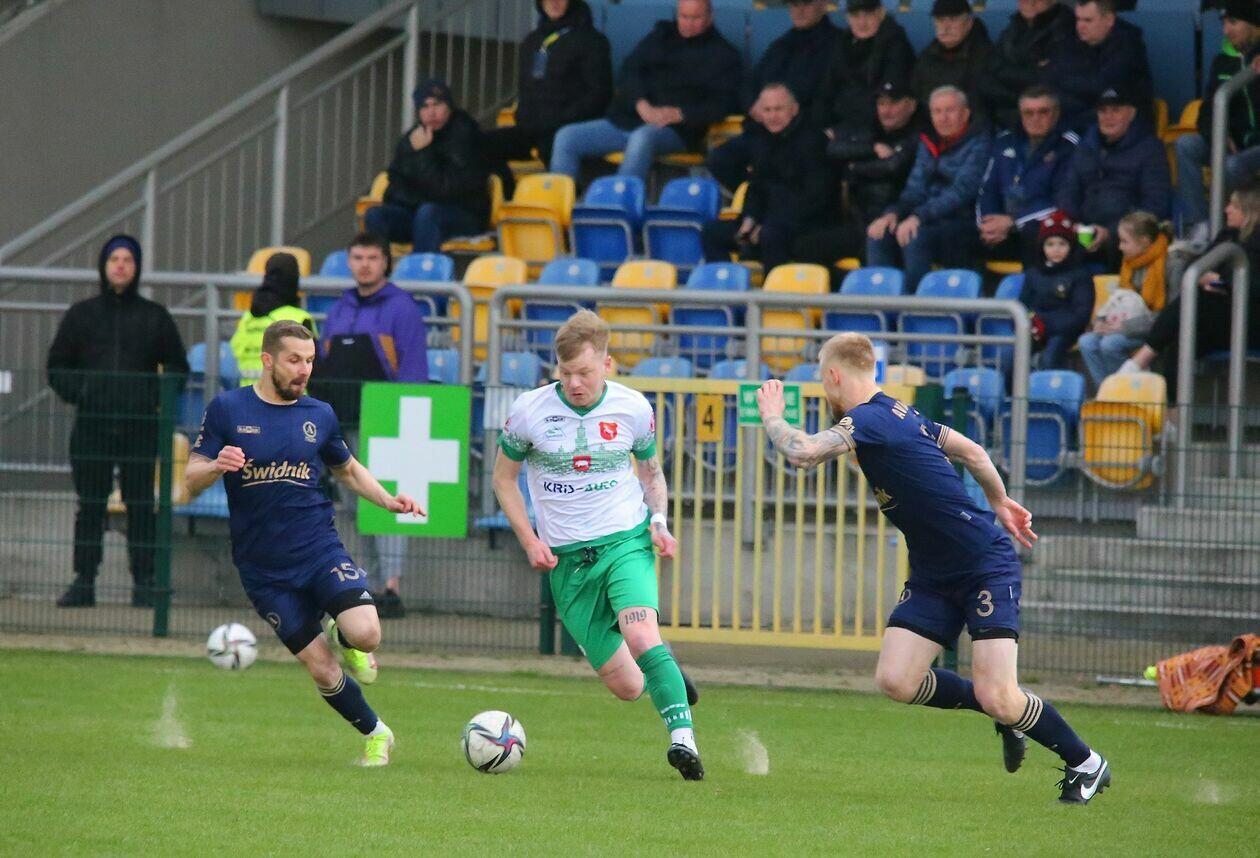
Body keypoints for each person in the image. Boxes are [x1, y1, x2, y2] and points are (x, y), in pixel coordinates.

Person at [756, 332, 1111, 804]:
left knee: (1001, 695)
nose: (825, 388)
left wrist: (772, 415)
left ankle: (1086, 763)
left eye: (823, 378)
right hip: (933, 573)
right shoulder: (901, 413)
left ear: (834, 375)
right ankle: (1001, 713)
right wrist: (1000, 500)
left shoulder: (868, 420)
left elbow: (802, 452)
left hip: (983, 565)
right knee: (897, 680)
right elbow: (973, 452)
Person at [185, 321, 423, 766]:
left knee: (367, 634)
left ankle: (343, 633)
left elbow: (348, 470)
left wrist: (388, 500)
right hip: (263, 570)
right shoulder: (227, 409)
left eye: (310, 360)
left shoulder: (320, 414)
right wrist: (215, 466)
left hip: (318, 551)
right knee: (322, 668)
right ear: (268, 360)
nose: (304, 370)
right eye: (294, 360)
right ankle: (377, 733)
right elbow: (190, 479)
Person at [492, 310, 704, 780]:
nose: (574, 383)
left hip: (625, 541)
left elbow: (651, 474)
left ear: (607, 363)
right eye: (565, 372)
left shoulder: (633, 408)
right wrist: (529, 540)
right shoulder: (529, 410)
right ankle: (665, 671)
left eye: (584, 372)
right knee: (628, 686)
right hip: (568, 563)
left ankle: (683, 740)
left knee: (641, 635)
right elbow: (503, 479)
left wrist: (659, 522)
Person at [47, 234, 189, 609]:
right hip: (91, 426)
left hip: (140, 427)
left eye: (128, 259)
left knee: (141, 505)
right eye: (114, 259)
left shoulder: (155, 317)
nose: (121, 266)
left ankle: (145, 583)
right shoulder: (81, 315)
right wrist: (83, 392)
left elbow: (178, 367)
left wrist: (151, 397)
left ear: (137, 267)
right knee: (90, 505)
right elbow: (57, 366)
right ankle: (83, 582)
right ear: (104, 266)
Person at [316, 232, 429, 617]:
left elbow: (412, 368)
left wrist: (403, 417)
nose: (364, 264)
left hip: (385, 423)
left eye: (372, 258)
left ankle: (391, 587)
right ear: (349, 261)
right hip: (343, 419)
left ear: (385, 263)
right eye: (358, 257)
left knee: (386, 499)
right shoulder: (339, 310)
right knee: (354, 503)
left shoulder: (402, 308)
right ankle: (371, 583)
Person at [548, 0, 741, 182]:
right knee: (567, 137)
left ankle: (620, 199)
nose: (688, 23)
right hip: (629, 119)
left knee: (642, 137)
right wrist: (641, 105)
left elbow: (723, 104)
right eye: (684, 16)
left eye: (696, 18)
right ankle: (561, 201)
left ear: (710, 18)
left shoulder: (724, 55)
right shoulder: (660, 37)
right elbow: (629, 71)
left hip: (676, 130)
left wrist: (680, 114)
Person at [1113, 182, 1260, 402]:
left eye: (1235, 206)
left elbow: (1253, 286)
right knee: (1182, 338)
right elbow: (1196, 266)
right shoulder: (1228, 235)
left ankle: (1139, 361)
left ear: (1251, 211)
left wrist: (1222, 282)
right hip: (1222, 319)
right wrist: (1205, 278)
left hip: (1250, 321)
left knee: (1200, 299)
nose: (1226, 209)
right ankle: (1172, 414)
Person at [791, 79, 923, 277]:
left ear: (911, 105)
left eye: (894, 103)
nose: (886, 111)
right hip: (860, 221)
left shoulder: (919, 136)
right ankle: (848, 285)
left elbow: (893, 166)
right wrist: (872, 149)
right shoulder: (871, 130)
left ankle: (867, 287)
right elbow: (831, 147)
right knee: (803, 247)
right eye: (881, 104)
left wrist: (854, 166)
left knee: (872, 248)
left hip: (892, 220)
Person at [705, 0, 840, 191]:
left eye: (806, 4)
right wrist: (754, 104)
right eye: (795, 4)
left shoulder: (837, 45)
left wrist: (787, 112)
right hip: (763, 132)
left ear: (823, 4)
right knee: (720, 159)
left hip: (804, 133)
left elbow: (828, 98)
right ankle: (756, 197)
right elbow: (749, 84)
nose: (799, 10)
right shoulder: (782, 45)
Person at [482, 0, 612, 198]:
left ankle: (564, 203)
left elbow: (599, 95)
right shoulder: (532, 41)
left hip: (567, 127)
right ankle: (510, 198)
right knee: (481, 144)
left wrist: (560, 119)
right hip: (532, 128)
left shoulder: (592, 41)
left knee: (556, 144)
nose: (554, 2)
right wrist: (523, 116)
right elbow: (525, 88)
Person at [866, 85, 991, 291]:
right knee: (878, 233)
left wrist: (919, 216)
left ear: (966, 113)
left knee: (914, 236)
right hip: (929, 218)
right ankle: (881, 304)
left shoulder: (980, 142)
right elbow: (914, 189)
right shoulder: (929, 141)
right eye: (937, 111)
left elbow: (962, 191)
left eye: (950, 110)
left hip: (964, 221)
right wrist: (893, 214)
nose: (943, 118)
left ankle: (918, 307)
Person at [700, 83, 832, 269]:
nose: (772, 116)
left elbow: (814, 198)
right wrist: (750, 219)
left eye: (778, 109)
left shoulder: (814, 141)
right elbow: (756, 187)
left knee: (770, 235)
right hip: (768, 220)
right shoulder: (761, 139)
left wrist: (766, 223)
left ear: (794, 109)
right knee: (712, 231)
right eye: (767, 110)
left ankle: (771, 287)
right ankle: (725, 285)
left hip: (806, 223)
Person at [365, 79, 489, 252]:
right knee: (375, 215)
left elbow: (446, 190)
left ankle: (421, 269)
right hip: (420, 212)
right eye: (424, 106)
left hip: (465, 214)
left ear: (449, 107)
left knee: (428, 213)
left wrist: (423, 153)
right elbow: (395, 185)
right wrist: (415, 199)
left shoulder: (465, 135)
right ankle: (380, 268)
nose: (431, 112)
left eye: (437, 104)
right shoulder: (413, 138)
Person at [1174, 0, 1260, 248]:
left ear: (1254, 25)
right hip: (1235, 143)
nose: (1226, 30)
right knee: (1186, 145)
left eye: (1233, 22)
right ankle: (1200, 227)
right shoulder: (1222, 62)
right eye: (1223, 23)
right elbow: (1207, 112)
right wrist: (1219, 137)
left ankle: (1227, 226)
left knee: (1231, 166)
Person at [1057, 85, 1171, 266]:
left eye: (1116, 111)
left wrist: (1112, 232)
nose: (1108, 117)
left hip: (1124, 237)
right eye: (1103, 111)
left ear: (1132, 113)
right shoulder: (1085, 146)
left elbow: (1155, 204)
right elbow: (1068, 190)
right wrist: (1072, 223)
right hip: (1083, 231)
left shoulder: (1150, 149)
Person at [977, 86, 1079, 269]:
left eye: (1043, 112)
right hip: (1001, 227)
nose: (1035, 118)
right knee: (953, 235)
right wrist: (987, 223)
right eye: (1028, 113)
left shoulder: (1069, 146)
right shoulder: (1004, 141)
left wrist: (1013, 222)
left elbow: (1063, 202)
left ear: (1056, 114)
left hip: (1041, 227)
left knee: (1035, 236)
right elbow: (988, 189)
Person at [1077, 211, 1169, 387]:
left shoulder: (1170, 263)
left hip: (1154, 329)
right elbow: (1118, 299)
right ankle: (1107, 392)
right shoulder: (1128, 263)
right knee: (1086, 342)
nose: (1120, 247)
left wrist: (1125, 326)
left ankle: (1124, 392)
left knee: (1110, 344)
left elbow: (1167, 314)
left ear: (1144, 242)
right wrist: (1101, 321)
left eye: (1125, 241)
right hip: (1124, 323)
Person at [1040, 0, 1153, 129]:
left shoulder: (1129, 46)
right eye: (1078, 19)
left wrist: (1064, 83)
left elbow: (1102, 88)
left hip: (1122, 126)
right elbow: (1048, 78)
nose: (1080, 26)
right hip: (1077, 117)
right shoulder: (1071, 40)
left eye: (1088, 20)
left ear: (1109, 20)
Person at [812, 0, 916, 136]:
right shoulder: (843, 43)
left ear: (881, 13)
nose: (862, 23)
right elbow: (826, 90)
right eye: (855, 16)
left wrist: (841, 131)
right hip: (839, 127)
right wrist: (822, 127)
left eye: (868, 15)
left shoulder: (896, 46)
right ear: (847, 18)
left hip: (876, 133)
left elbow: (887, 102)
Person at [978, 0, 1075, 129]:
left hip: (1048, 122)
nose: (1030, 2)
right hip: (1002, 118)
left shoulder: (1066, 29)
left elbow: (1048, 79)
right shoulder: (1012, 29)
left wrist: (1005, 73)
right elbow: (988, 74)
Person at [1017, 210, 1094, 369]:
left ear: (1071, 246)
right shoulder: (1033, 273)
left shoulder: (1080, 274)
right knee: (1012, 356)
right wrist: (1031, 323)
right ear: (1042, 247)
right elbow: (1022, 305)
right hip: (1035, 329)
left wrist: (1045, 326)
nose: (1056, 250)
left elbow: (1081, 314)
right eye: (1050, 244)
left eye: (1062, 244)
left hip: (1066, 331)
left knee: (1050, 358)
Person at [229, 251, 315, 385]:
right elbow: (315, 365)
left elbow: (235, 351)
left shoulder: (247, 317)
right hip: (288, 394)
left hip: (249, 392)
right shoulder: (299, 318)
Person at [910, 0, 992, 114]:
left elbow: (984, 106)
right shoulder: (927, 57)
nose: (946, 27)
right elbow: (914, 97)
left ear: (969, 23)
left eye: (953, 19)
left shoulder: (986, 57)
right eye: (940, 20)